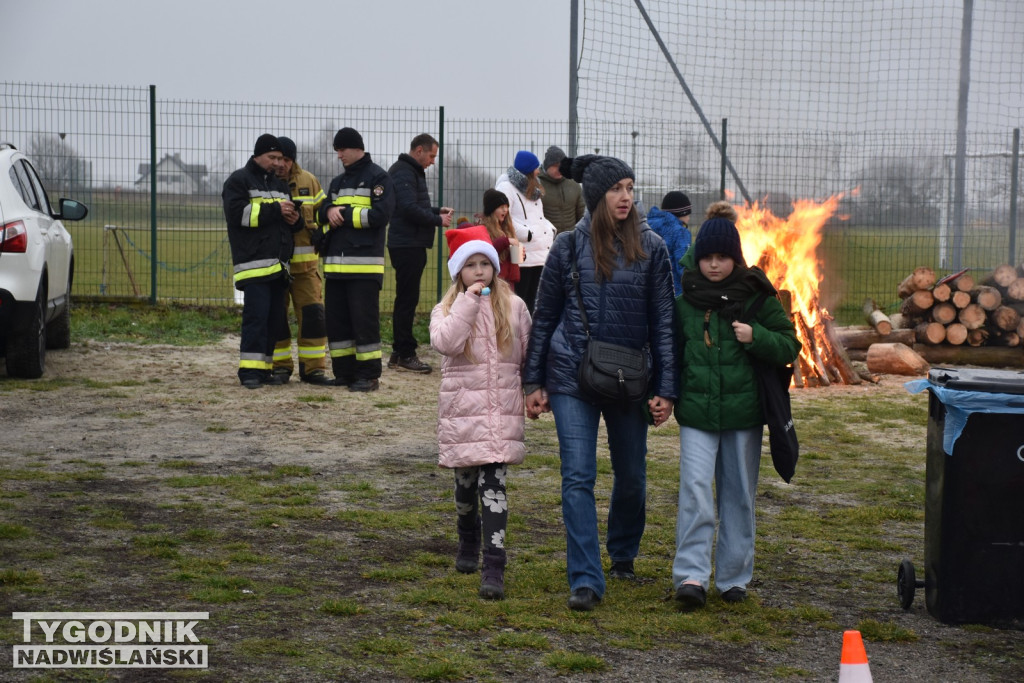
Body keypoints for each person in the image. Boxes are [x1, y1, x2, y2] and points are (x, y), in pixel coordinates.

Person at [522, 155, 678, 612]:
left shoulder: (653, 248)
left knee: (632, 477)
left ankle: (623, 554)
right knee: (578, 477)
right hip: (573, 373)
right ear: (596, 195)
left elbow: (664, 326)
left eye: (629, 187)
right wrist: (534, 380)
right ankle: (586, 580)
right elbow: (544, 316)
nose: (625, 196)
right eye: (615, 188)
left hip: (631, 378)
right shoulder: (568, 247)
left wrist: (666, 389)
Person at [671, 201, 800, 611]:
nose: (713, 265)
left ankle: (733, 577)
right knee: (694, 491)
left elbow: (789, 345)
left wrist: (755, 336)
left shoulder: (759, 297)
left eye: (722, 257)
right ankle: (691, 575)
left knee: (739, 494)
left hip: (744, 416)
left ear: (735, 258)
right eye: (707, 257)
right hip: (695, 414)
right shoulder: (684, 301)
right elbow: (669, 353)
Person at [430, 224, 532, 601]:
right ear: (459, 271)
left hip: (501, 415)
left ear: (494, 267)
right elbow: (446, 343)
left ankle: (494, 564)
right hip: (463, 417)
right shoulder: (446, 308)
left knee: (495, 488)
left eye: (484, 264)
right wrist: (467, 303)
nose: (478, 271)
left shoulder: (514, 306)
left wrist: (535, 392)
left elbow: (528, 353)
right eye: (470, 265)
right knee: (465, 488)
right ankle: (466, 535)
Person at [314, 127, 395, 392]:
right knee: (337, 324)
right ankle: (344, 374)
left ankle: (369, 375)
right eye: (336, 150)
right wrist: (328, 211)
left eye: (342, 150)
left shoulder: (378, 178)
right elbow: (323, 209)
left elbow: (380, 215)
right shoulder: (337, 182)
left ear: (356, 148)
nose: (339, 155)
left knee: (364, 324)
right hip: (335, 268)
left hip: (364, 268)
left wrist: (344, 215)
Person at [222, 133, 301, 389]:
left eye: (280, 158)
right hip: (253, 265)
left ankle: (264, 369)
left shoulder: (279, 185)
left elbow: (285, 220)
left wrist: (295, 220)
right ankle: (250, 373)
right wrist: (277, 210)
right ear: (258, 155)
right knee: (256, 320)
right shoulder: (239, 180)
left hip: (278, 267)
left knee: (273, 321)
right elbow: (238, 215)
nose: (278, 163)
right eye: (273, 157)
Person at [387, 133, 454, 375]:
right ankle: (406, 353)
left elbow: (415, 206)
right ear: (419, 151)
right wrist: (437, 219)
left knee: (406, 299)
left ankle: (398, 351)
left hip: (410, 243)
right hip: (407, 245)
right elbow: (407, 208)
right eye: (432, 155)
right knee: (406, 300)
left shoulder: (411, 172)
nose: (433, 161)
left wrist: (437, 210)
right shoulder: (404, 172)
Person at [271, 136, 331, 385]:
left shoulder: (309, 181)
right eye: (278, 159)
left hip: (306, 268)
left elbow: (326, 211)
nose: (282, 164)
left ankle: (313, 369)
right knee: (276, 318)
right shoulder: (264, 183)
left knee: (314, 318)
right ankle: (280, 367)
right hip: (273, 267)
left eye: (287, 159)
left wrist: (322, 233)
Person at [495, 150, 557, 314]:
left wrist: (550, 229)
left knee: (533, 301)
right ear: (528, 170)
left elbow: (538, 217)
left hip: (539, 254)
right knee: (520, 301)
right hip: (521, 253)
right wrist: (526, 233)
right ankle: (518, 336)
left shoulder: (533, 189)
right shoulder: (506, 188)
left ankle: (529, 337)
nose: (538, 171)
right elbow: (502, 215)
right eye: (536, 168)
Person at [646, 191, 693, 297]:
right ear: (682, 213)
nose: (689, 218)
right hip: (673, 292)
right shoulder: (680, 232)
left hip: (648, 290)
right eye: (688, 214)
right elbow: (683, 265)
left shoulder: (647, 227)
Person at [538, 145, 585, 235]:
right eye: (555, 166)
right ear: (547, 166)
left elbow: (582, 214)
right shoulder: (537, 185)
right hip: (546, 241)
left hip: (571, 239)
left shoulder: (574, 184)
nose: (559, 169)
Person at [480, 188, 522, 285]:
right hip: (495, 281)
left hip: (510, 281)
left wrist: (521, 255)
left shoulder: (507, 228)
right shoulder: (484, 229)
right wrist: (506, 241)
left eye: (507, 206)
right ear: (492, 210)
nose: (505, 210)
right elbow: (488, 252)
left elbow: (512, 259)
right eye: (501, 207)